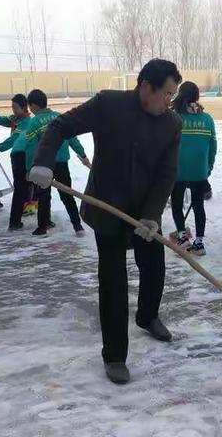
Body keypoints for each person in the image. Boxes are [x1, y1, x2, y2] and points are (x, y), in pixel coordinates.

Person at [28, 59, 182, 385]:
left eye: (173, 94)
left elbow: (167, 173)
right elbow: (59, 127)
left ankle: (147, 315)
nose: (169, 101)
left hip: (144, 213)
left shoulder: (172, 124)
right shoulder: (109, 104)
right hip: (107, 207)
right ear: (146, 87)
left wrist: (152, 216)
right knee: (113, 282)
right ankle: (114, 356)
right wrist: (44, 164)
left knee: (154, 266)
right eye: (165, 93)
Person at [24, 89, 90, 236]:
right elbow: (73, 139)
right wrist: (82, 154)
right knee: (67, 194)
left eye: (30, 107)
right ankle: (77, 226)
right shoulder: (60, 117)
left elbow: (31, 147)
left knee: (43, 194)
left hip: (44, 164)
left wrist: (30, 168)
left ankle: (42, 227)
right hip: (61, 163)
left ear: (34, 105)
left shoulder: (34, 122)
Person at [170, 81, 217, 256]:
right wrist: (208, 167)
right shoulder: (207, 119)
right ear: (197, 96)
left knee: (176, 204)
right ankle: (199, 243)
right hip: (199, 171)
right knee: (198, 206)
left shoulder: (174, 117)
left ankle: (182, 238)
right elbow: (213, 145)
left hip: (177, 171)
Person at [0, 94, 32, 230]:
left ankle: (20, 215)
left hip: (24, 156)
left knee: (24, 187)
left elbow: (14, 139)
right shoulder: (16, 118)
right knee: (22, 187)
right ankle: (18, 217)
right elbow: (5, 120)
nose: (13, 110)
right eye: (12, 107)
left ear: (24, 108)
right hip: (17, 156)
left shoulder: (27, 122)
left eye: (15, 108)